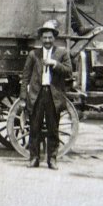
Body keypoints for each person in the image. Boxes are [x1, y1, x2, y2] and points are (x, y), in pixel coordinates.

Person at [19, 19, 73, 169]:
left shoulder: (62, 53)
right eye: (45, 37)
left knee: (53, 129)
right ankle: (34, 159)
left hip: (53, 95)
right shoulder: (33, 54)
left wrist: (54, 64)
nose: (47, 40)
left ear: (54, 38)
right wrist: (23, 98)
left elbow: (69, 71)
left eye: (50, 37)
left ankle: (52, 160)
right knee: (34, 128)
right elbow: (25, 77)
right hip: (37, 94)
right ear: (41, 39)